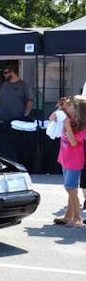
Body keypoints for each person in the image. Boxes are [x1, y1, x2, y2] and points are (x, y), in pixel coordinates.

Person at [51, 96, 86, 227]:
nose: (67, 107)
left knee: (70, 188)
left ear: (77, 109)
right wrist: (59, 109)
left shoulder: (81, 125)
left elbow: (73, 142)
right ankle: (68, 216)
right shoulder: (67, 117)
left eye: (70, 105)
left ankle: (77, 218)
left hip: (74, 161)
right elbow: (51, 118)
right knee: (70, 188)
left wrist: (66, 124)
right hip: (65, 158)